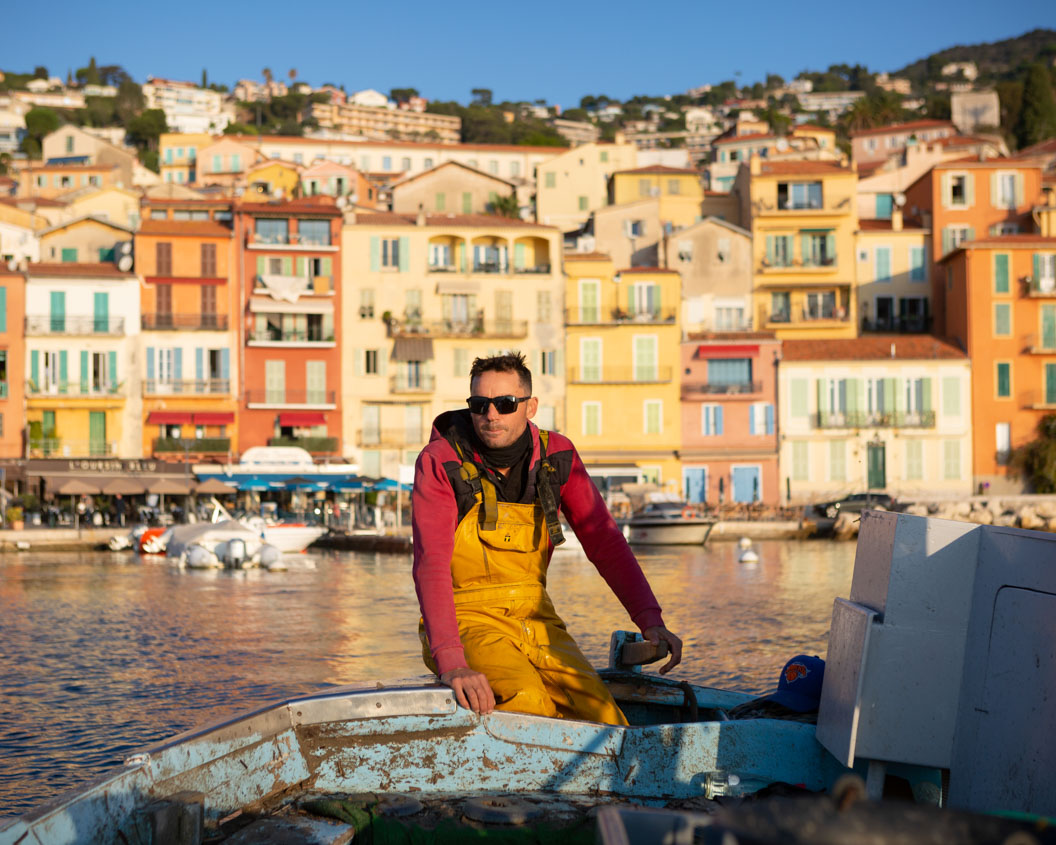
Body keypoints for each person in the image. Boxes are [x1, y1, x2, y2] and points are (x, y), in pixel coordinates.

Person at [412, 352, 682, 725]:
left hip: (537, 616)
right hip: (466, 620)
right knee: (530, 703)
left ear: (530, 406)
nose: (491, 415)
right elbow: (431, 565)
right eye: (479, 405)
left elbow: (604, 542)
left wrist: (650, 620)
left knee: (605, 716)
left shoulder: (559, 456)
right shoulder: (440, 461)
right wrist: (452, 662)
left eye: (505, 404)